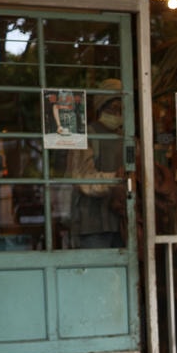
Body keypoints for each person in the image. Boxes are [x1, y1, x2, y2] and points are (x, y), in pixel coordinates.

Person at [68, 79, 127, 248]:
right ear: (101, 106)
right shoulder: (87, 136)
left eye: (121, 108)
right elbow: (82, 180)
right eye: (113, 107)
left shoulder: (127, 138)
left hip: (122, 220)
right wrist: (116, 178)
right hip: (92, 224)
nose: (117, 113)